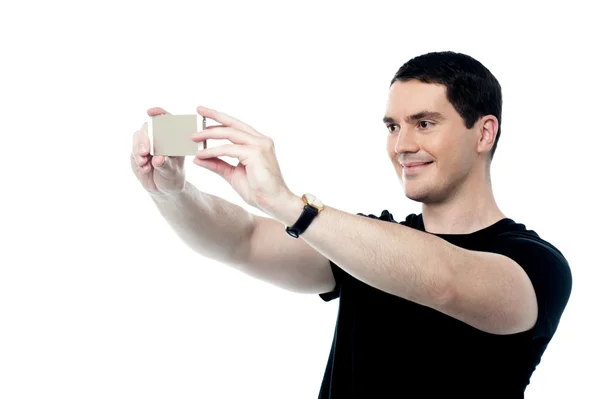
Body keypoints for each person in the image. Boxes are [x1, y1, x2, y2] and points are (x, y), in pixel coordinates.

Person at [130, 51, 572, 398]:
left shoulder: (535, 265)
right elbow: (242, 241)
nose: (401, 145)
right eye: (392, 126)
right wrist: (171, 192)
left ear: (484, 133)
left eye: (424, 123)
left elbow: (445, 281)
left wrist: (288, 204)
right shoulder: (360, 243)